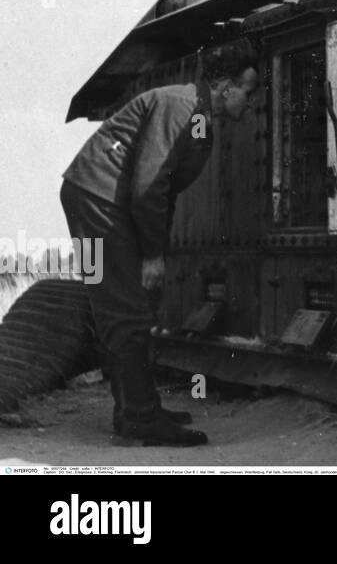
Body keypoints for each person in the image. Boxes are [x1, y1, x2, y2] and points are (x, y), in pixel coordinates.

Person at [61, 47, 260, 447]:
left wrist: (154, 248)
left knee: (115, 308)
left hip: (87, 197)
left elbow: (162, 190)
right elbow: (149, 189)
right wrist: (152, 255)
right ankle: (140, 420)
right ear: (223, 86)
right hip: (99, 202)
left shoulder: (199, 115)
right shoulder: (183, 106)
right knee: (127, 310)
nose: (251, 100)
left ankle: (134, 409)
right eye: (247, 90)